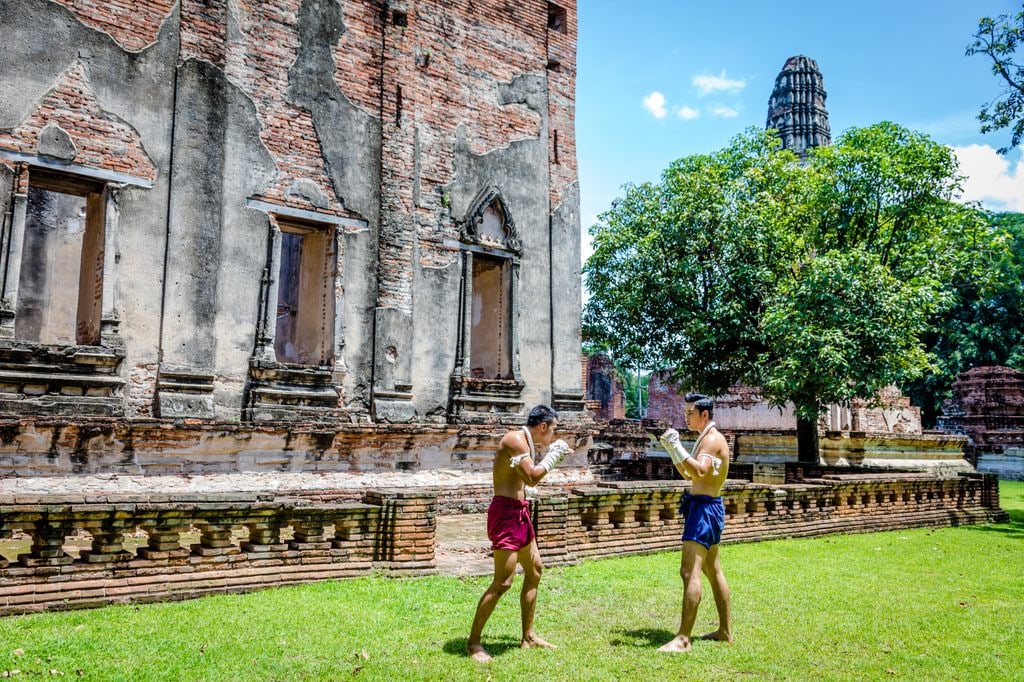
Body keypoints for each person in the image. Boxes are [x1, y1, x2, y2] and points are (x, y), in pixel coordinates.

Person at [466, 404, 571, 663]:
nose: (553, 437)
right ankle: (474, 644)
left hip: (520, 512)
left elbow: (523, 480)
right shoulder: (515, 440)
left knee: (535, 570)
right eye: (553, 430)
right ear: (543, 426)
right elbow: (533, 477)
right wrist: (554, 457)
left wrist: (524, 491)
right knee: (503, 581)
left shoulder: (526, 442)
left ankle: (528, 637)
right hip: (505, 515)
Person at [656, 392, 733, 653]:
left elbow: (699, 470)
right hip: (706, 507)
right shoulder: (706, 438)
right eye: (685, 412)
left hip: (704, 510)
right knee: (713, 570)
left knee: (690, 572)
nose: (685, 417)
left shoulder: (712, 440)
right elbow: (688, 472)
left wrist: (677, 447)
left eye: (690, 413)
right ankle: (724, 631)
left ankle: (683, 639)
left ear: (705, 415)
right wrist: (672, 449)